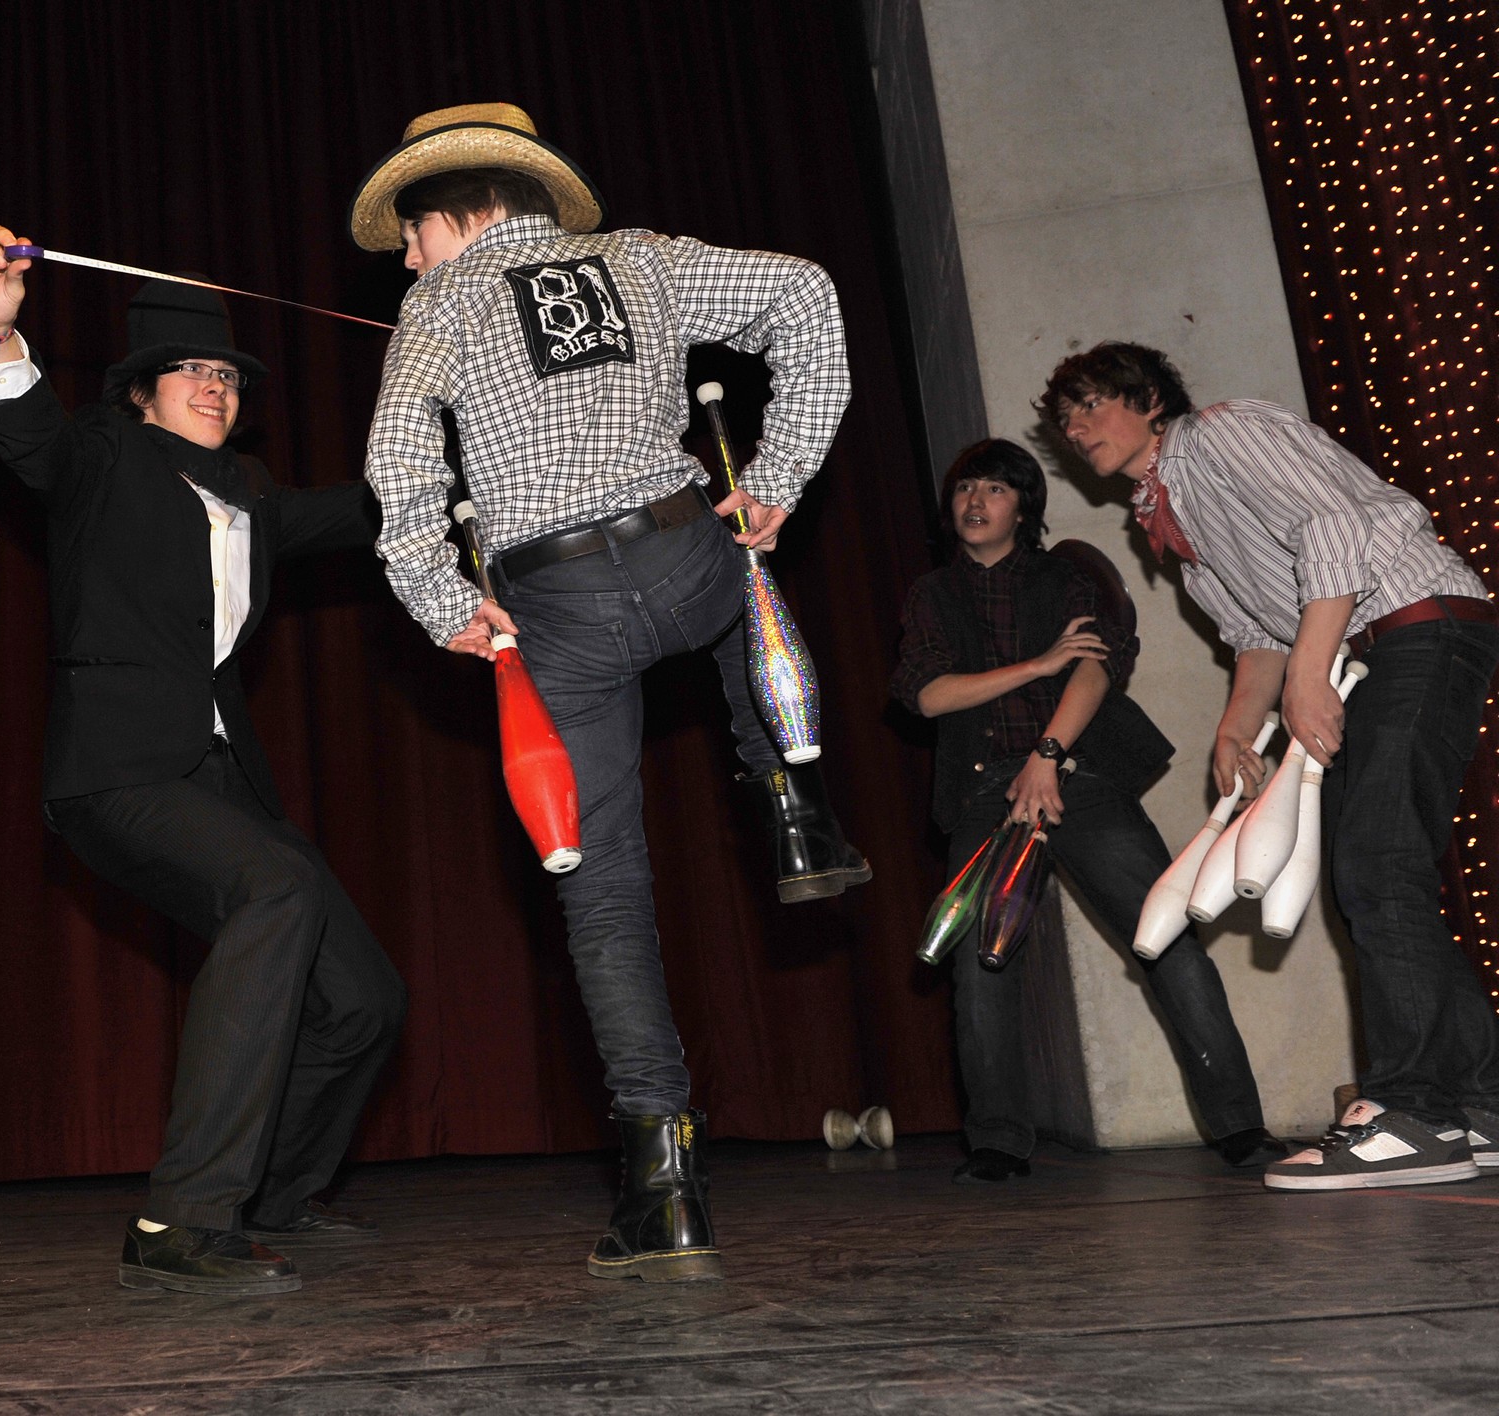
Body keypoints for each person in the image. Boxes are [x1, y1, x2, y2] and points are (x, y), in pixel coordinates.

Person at [351, 102, 866, 1282]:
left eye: (409, 239)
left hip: (561, 606)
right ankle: (792, 806)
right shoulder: (640, 257)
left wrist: (437, 598)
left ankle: (663, 1183)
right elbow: (804, 293)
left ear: (451, 214)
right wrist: (779, 474)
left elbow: (397, 456)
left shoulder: (439, 302)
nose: (407, 262)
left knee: (603, 896)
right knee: (745, 578)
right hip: (684, 555)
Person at [0, 225, 407, 1293]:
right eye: (191, 372)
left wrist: (491, 433)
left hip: (220, 780)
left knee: (363, 1000)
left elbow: (375, 511)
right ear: (142, 394)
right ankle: (183, 1219)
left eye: (227, 375)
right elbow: (33, 442)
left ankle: (275, 1196)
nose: (213, 386)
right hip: (118, 772)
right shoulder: (104, 459)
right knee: (276, 890)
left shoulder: (251, 492)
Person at [1044, 340, 1499, 1190]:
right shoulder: (1165, 510)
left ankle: (1415, 1114)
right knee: (1374, 878)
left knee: (1378, 868)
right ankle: (1481, 1107)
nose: (1076, 428)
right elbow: (1258, 633)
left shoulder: (1221, 433)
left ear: (1150, 401)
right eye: (1066, 422)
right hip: (1363, 655)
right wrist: (1235, 730)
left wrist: (1308, 675)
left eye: (1092, 405)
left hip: (1414, 630)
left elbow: (1334, 527)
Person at [894, 439, 1283, 1183]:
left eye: (996, 489)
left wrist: (1047, 756)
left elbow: (1095, 670)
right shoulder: (932, 595)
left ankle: (1240, 1126)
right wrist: (1040, 664)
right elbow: (930, 695)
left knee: (1168, 939)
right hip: (984, 788)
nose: (976, 501)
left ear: (1023, 507)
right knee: (980, 967)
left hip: (1080, 776)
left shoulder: (1064, 575)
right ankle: (998, 1141)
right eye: (966, 488)